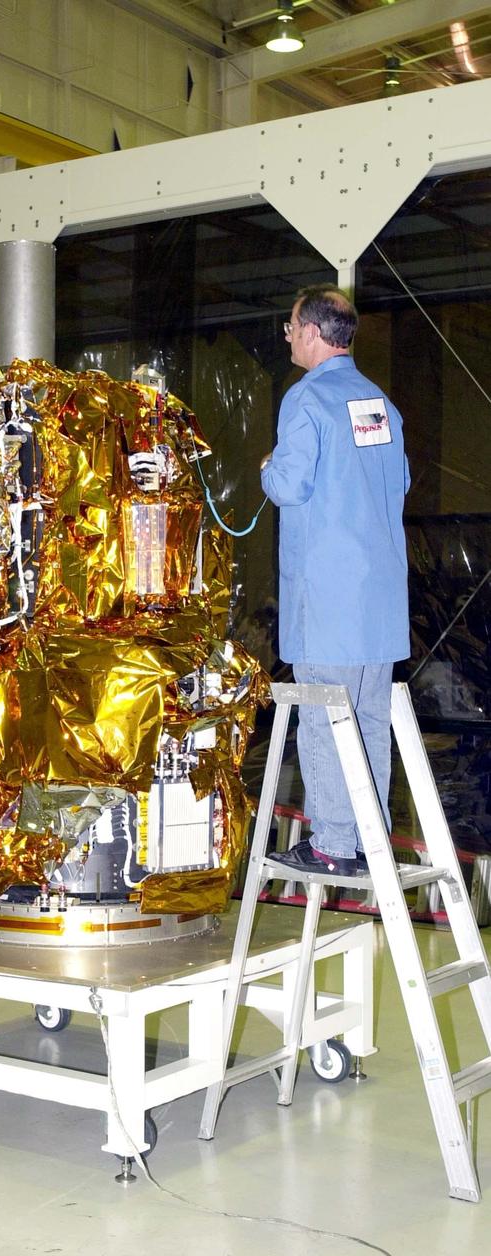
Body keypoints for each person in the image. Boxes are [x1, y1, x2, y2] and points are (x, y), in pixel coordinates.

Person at [260, 285, 410, 874]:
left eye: (291, 327)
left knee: (325, 720)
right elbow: (398, 482)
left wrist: (269, 468)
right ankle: (369, 843)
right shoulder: (378, 402)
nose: (288, 337)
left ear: (313, 333)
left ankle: (331, 846)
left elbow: (289, 485)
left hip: (328, 602)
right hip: (379, 605)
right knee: (368, 723)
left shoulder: (306, 399)